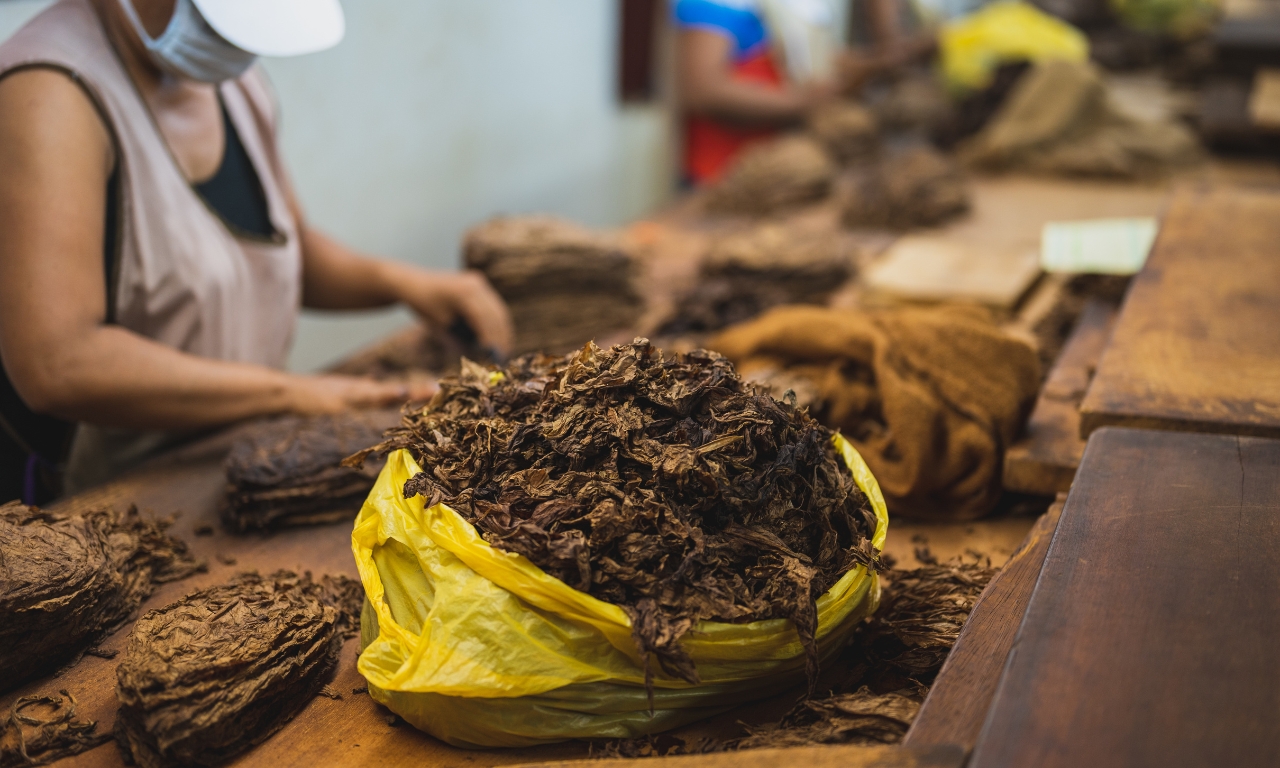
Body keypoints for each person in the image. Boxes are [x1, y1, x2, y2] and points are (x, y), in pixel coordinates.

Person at [0, 0, 514, 504]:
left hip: (221, 457)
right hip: (94, 492)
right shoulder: (46, 94)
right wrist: (290, 392)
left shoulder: (230, 77)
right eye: (209, 21)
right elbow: (58, 363)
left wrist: (404, 284)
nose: (226, 43)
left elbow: (278, 251)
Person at [675, 0, 935, 184]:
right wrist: (808, 102)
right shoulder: (718, 4)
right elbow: (702, 89)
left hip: (785, 168)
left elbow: (806, 62)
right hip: (723, 174)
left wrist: (871, 65)